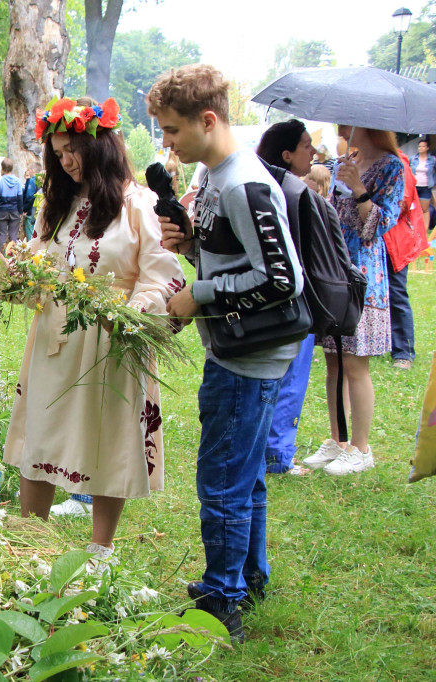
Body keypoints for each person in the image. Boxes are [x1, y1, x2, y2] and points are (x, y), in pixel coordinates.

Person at [0, 95, 183, 563]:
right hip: (54, 339)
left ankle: (101, 548)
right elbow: (39, 263)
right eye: (58, 152)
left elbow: (165, 274)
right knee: (41, 430)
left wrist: (134, 313)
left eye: (72, 149)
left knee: (109, 436)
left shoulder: (138, 204)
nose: (66, 161)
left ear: (100, 145)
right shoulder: (58, 204)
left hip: (113, 340)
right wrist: (11, 273)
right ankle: (31, 538)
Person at [149, 64, 304, 642]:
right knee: (244, 477)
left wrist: (200, 295)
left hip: (246, 361)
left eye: (172, 131)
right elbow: (235, 258)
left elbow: (283, 280)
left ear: (207, 120)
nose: (166, 143)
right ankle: (248, 575)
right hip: (237, 351)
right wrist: (192, 245)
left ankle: (223, 600)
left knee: (222, 481)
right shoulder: (214, 175)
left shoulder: (243, 182)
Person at [303, 127, 403, 473]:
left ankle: (361, 448)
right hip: (335, 272)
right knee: (335, 360)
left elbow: (377, 227)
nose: (343, 130)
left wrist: (359, 188)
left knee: (356, 363)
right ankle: (338, 440)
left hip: (364, 278)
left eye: (349, 125)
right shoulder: (348, 159)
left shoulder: (392, 166)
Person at [254, 119, 321, 477]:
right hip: (295, 300)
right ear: (287, 154)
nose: (313, 152)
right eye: (307, 146)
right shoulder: (293, 193)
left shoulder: (258, 184)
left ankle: (270, 449)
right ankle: (279, 454)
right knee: (290, 376)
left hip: (261, 305)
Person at [0, 158, 24, 252]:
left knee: (2, 234)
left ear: (2, 168)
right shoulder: (18, 181)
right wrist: (20, 211)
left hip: (2, 211)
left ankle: (2, 255)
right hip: (14, 210)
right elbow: (20, 198)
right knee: (13, 235)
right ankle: (13, 255)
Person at [410, 139, 433, 231]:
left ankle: (424, 229)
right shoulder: (413, 158)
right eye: (419, 146)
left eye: (423, 146)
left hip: (426, 187)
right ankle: (412, 228)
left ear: (427, 148)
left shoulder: (432, 160)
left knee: (425, 209)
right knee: (411, 208)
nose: (421, 148)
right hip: (414, 186)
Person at [21, 163, 38, 241]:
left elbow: (29, 196)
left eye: (29, 170)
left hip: (31, 212)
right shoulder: (42, 181)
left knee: (30, 235)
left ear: (33, 170)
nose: (28, 171)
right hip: (38, 212)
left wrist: (24, 209)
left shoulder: (32, 180)